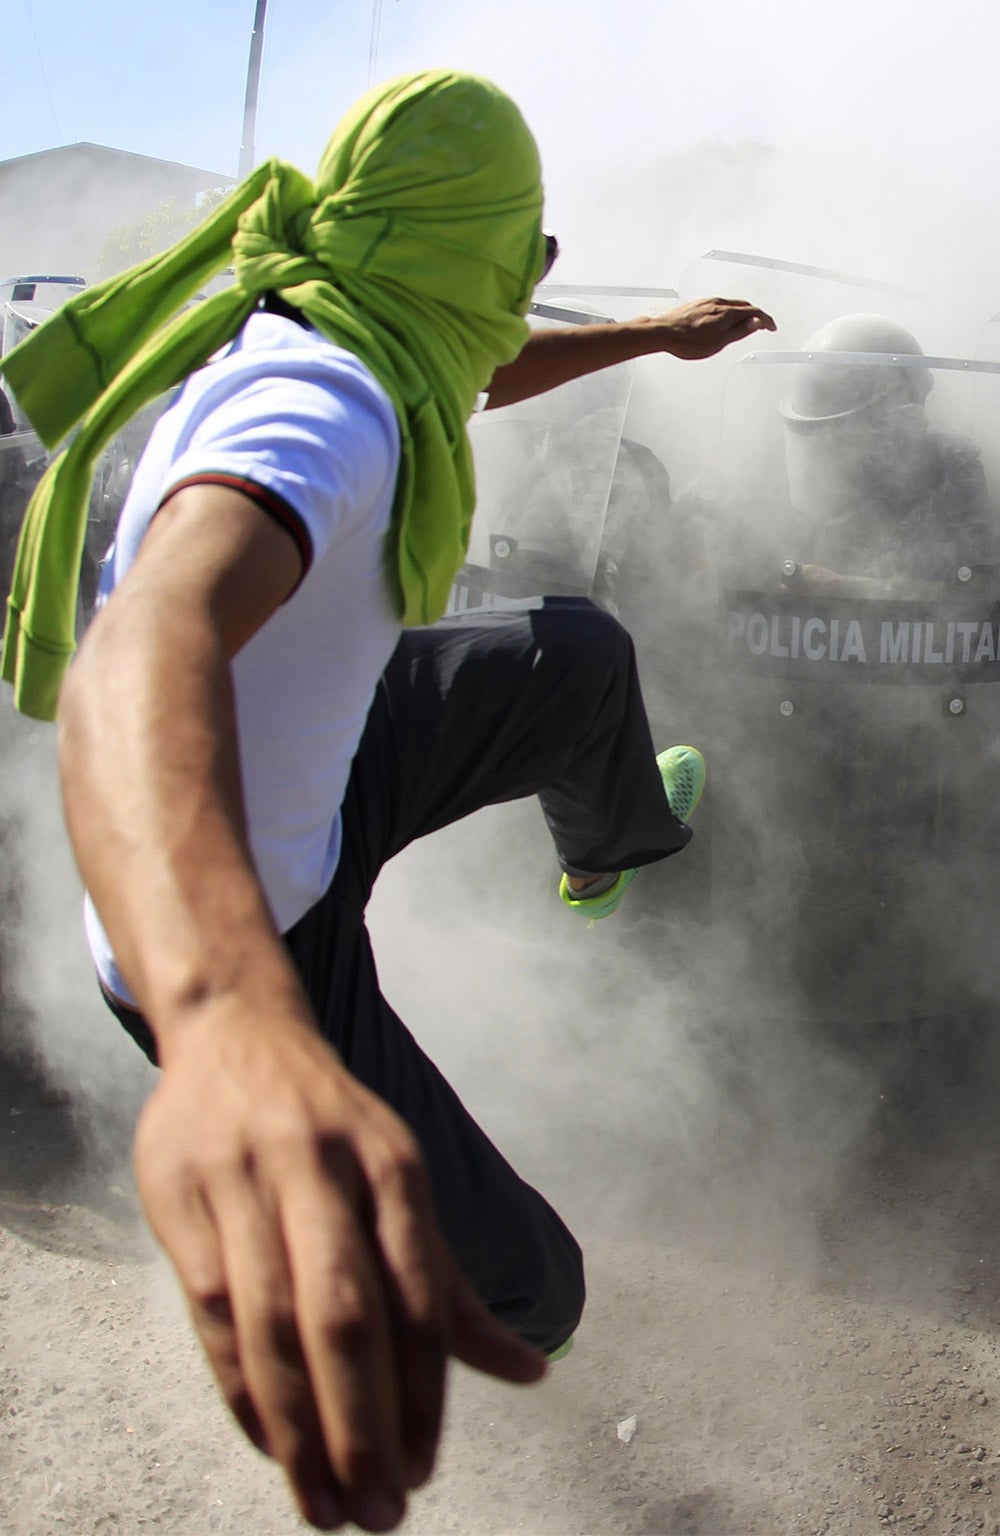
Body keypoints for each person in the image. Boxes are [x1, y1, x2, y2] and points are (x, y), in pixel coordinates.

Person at [0, 72, 771, 1531]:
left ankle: (604, 853)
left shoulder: (338, 319)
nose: (532, 288)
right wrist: (223, 1022)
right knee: (534, 1287)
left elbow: (469, 370)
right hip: (245, 937)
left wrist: (653, 339)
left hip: (323, 779)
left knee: (574, 659)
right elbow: (135, 659)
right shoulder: (320, 409)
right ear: (464, 258)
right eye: (528, 260)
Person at [776, 311, 992, 592]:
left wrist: (848, 588)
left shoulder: (950, 469)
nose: (831, 446)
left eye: (844, 428)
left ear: (893, 414)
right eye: (825, 433)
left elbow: (968, 592)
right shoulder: (815, 485)